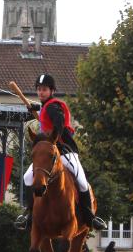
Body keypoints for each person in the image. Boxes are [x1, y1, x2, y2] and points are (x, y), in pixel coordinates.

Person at [19, 74, 107, 232]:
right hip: (48, 153)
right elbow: (46, 109)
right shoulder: (47, 106)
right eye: (39, 90)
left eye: (44, 89)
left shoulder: (54, 106)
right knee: (27, 177)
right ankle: (29, 214)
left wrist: (54, 140)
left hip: (65, 150)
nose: (41, 92)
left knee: (81, 181)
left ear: (52, 90)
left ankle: (90, 218)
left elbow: (58, 122)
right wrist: (36, 107)